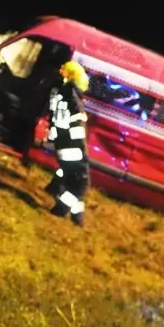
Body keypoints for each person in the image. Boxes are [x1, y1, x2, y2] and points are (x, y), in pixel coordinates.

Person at [45, 61, 90, 226]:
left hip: (62, 144)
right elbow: (77, 127)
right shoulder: (73, 97)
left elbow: (53, 118)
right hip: (74, 147)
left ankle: (78, 219)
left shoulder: (59, 93)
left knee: (73, 181)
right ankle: (59, 211)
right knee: (81, 184)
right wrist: (83, 151)